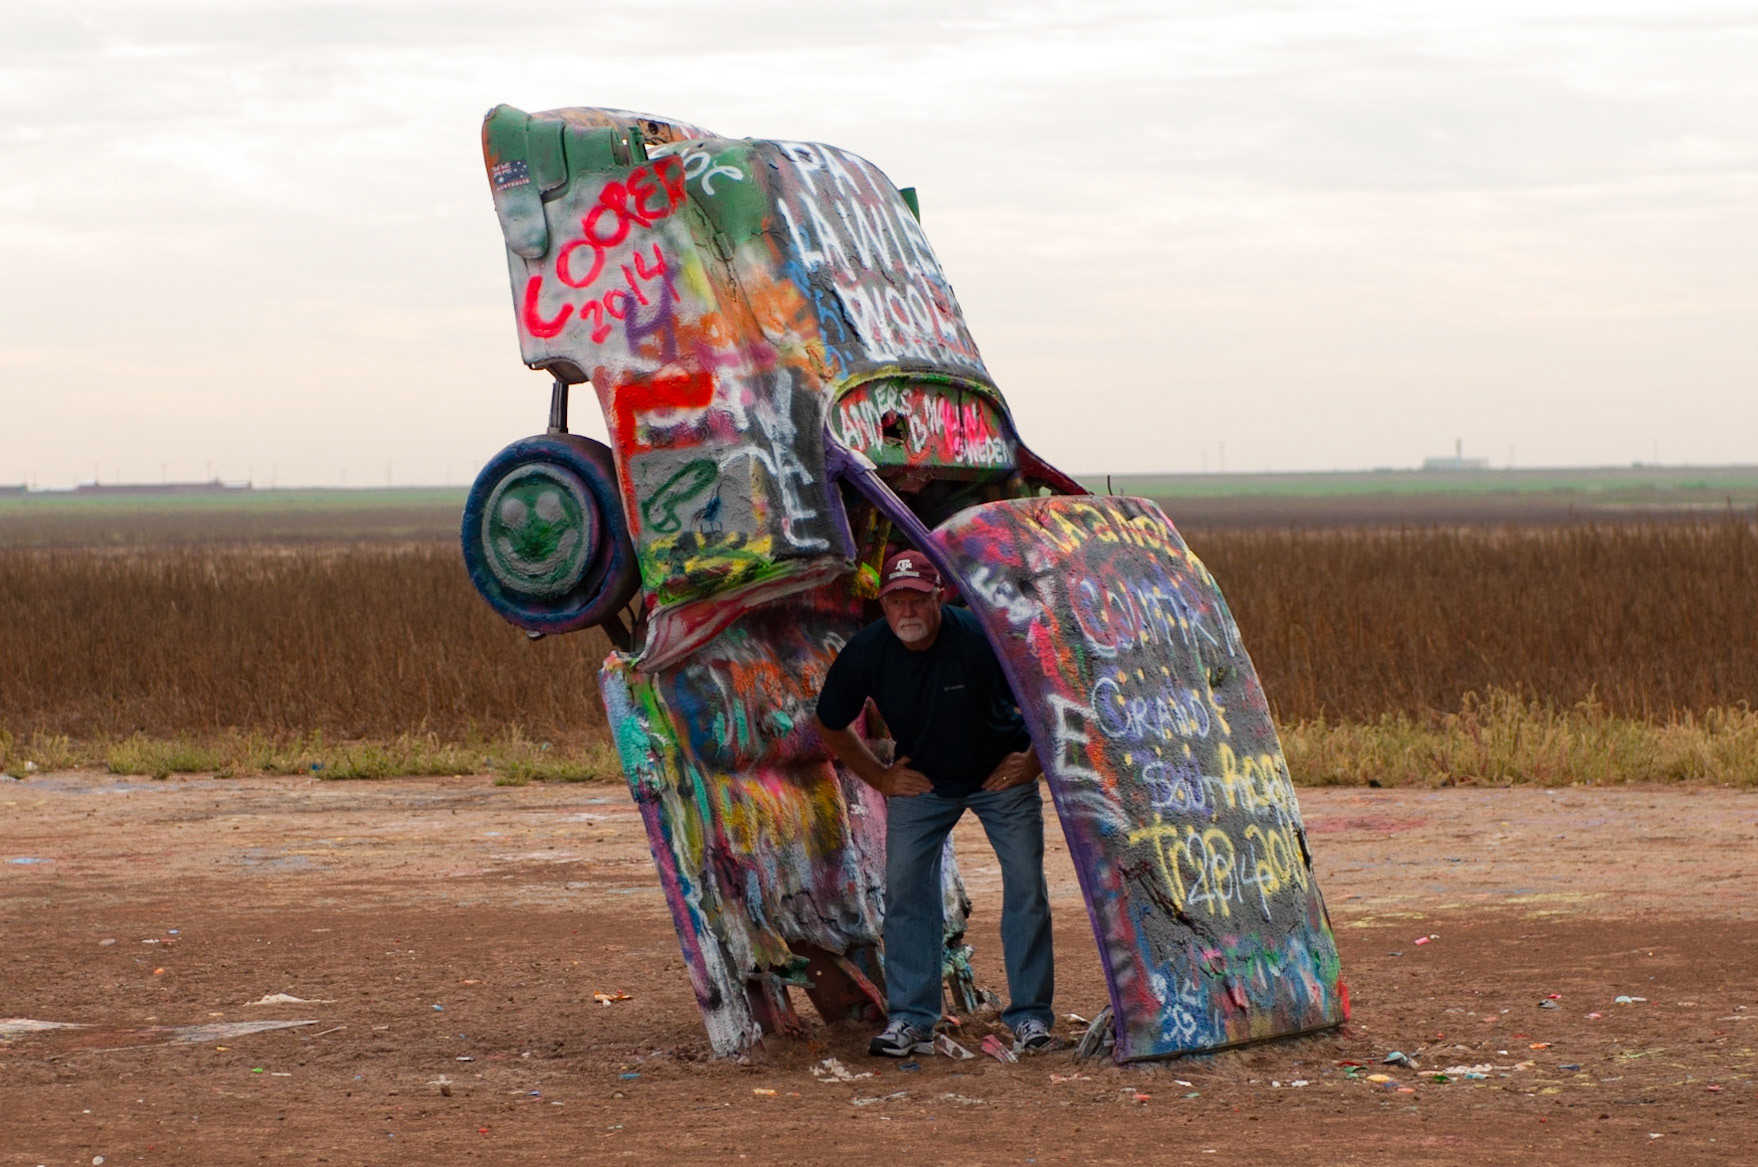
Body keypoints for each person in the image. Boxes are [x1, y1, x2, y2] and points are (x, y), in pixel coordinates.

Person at [813, 549, 1055, 1057]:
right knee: (905, 892)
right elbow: (830, 722)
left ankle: (1031, 1018)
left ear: (938, 598)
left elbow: (1045, 689)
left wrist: (1033, 761)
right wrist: (879, 776)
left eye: (917, 601)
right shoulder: (868, 650)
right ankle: (912, 1018)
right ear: (883, 605)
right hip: (923, 782)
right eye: (896, 601)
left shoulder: (980, 636)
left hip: (999, 775)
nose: (907, 612)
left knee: (1026, 885)